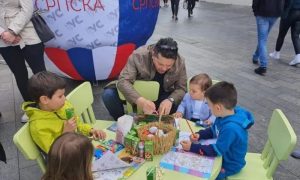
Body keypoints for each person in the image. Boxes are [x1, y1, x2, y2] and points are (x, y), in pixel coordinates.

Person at [180, 81, 254, 180]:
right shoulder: (225, 114)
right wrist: (200, 135)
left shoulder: (230, 129)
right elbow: (214, 130)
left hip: (229, 164)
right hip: (224, 155)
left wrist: (192, 147)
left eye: (209, 105)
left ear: (218, 108)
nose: (209, 108)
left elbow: (216, 150)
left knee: (206, 175)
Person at [102, 37, 187, 120]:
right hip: (137, 94)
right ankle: (121, 121)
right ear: (153, 54)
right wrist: (140, 100)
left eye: (169, 65)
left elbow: (182, 88)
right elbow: (123, 81)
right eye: (160, 64)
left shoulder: (180, 62)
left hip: (162, 96)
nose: (164, 68)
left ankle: (160, 122)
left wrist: (170, 100)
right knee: (109, 95)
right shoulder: (138, 56)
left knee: (179, 101)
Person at [22, 71, 106, 154]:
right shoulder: (38, 126)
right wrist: (65, 133)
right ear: (44, 99)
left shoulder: (64, 106)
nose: (64, 98)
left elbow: (77, 124)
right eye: (60, 96)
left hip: (76, 144)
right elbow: (52, 153)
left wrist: (91, 130)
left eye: (64, 94)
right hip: (64, 160)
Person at [0, 0, 46, 103]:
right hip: (3, 39)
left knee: (40, 73)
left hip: (27, 33)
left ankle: (49, 105)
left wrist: (12, 31)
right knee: (19, 74)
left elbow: (27, 9)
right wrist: (2, 33)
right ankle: (30, 107)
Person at [252, 0, 285, 75]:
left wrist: (255, 11)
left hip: (262, 13)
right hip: (275, 13)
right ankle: (255, 57)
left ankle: (263, 66)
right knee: (263, 39)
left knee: (262, 40)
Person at [269, 0, 300, 66]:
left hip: (290, 12)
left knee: (282, 34)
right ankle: (298, 56)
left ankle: (276, 53)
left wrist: (283, 12)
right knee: (296, 35)